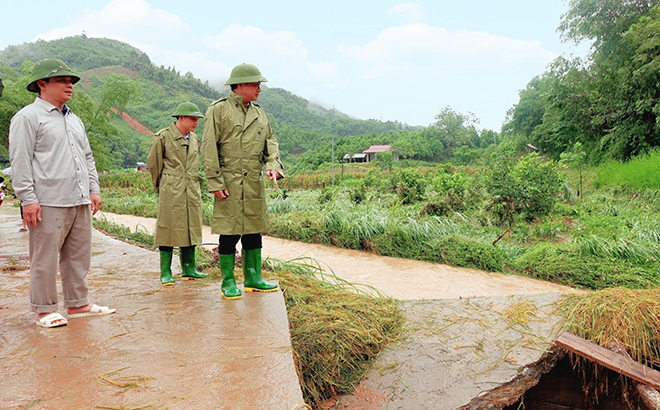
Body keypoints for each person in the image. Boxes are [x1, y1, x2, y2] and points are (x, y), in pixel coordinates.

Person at [8, 59, 115, 328]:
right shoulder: (28, 117)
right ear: (42, 85)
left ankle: (79, 304)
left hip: (79, 198)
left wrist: (94, 189)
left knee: (78, 256)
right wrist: (28, 199)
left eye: (71, 81)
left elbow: (87, 157)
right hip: (48, 200)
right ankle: (44, 310)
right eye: (62, 80)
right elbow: (20, 160)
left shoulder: (74, 119)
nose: (70, 85)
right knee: (44, 258)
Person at [202, 63, 284, 300]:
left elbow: (271, 141)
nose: (259, 88)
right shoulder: (218, 110)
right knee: (229, 231)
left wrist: (272, 166)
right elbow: (209, 147)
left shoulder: (259, 113)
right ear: (239, 86)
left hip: (253, 180)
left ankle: (253, 278)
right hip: (229, 179)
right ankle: (228, 282)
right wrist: (215, 181)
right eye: (255, 84)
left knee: (254, 230)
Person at [146, 102, 208, 285]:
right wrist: (162, 186)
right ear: (180, 117)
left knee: (191, 227)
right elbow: (153, 164)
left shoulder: (195, 139)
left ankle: (189, 268)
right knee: (168, 228)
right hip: (171, 187)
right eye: (192, 119)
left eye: (197, 119)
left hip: (191, 187)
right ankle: (165, 271)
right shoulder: (163, 137)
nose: (196, 122)